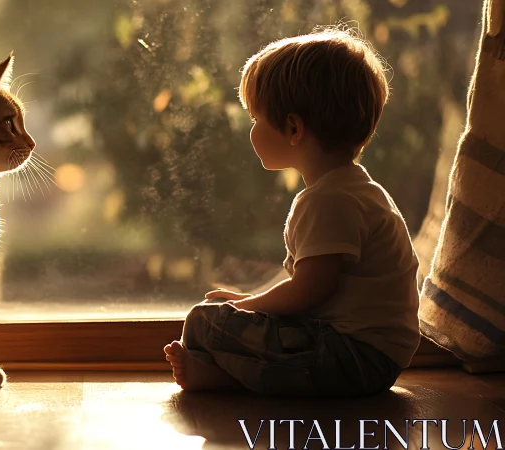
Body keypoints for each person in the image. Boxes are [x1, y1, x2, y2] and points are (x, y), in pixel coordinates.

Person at [164, 26, 421, 396]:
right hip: (370, 358)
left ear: (293, 128)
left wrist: (247, 306)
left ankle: (221, 376)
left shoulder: (329, 201)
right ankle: (224, 376)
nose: (251, 129)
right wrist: (247, 303)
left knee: (204, 321)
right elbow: (309, 282)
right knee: (224, 313)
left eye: (255, 119)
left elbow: (308, 292)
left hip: (351, 358)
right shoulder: (356, 190)